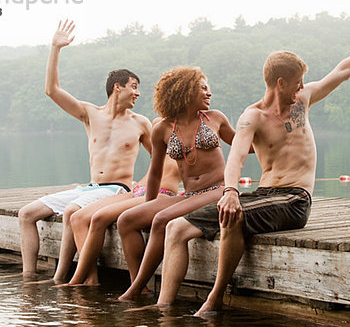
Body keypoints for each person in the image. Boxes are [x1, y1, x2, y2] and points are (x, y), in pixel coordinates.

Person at [153, 9, 350, 314]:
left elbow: (343, 71)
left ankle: (214, 299)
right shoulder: (252, 117)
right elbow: (237, 157)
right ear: (280, 82)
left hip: (295, 199)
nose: (302, 87)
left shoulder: (303, 101)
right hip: (264, 195)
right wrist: (230, 192)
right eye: (297, 82)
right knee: (176, 228)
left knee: (234, 216)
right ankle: (162, 308)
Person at [18, 20, 152, 280]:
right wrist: (55, 48)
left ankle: (64, 278)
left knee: (73, 210)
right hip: (90, 188)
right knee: (26, 214)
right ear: (118, 87)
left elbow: (161, 159)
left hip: (116, 190)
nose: (138, 93)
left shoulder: (140, 123)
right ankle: (28, 278)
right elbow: (52, 90)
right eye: (134, 87)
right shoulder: (91, 114)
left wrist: (142, 187)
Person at [112, 66, 243, 300]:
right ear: (185, 91)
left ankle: (132, 292)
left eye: (208, 88)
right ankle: (140, 286)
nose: (208, 93)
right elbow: (154, 173)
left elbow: (245, 147)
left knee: (162, 219)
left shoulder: (215, 118)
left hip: (218, 190)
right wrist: (147, 206)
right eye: (202, 88)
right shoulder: (162, 128)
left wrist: (271, 139)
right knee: (127, 220)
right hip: (189, 194)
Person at [61, 118, 181, 287]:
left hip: (163, 193)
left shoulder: (195, 129)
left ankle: (75, 280)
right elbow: (155, 162)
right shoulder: (158, 124)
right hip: (139, 188)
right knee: (78, 218)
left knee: (99, 218)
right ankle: (90, 279)